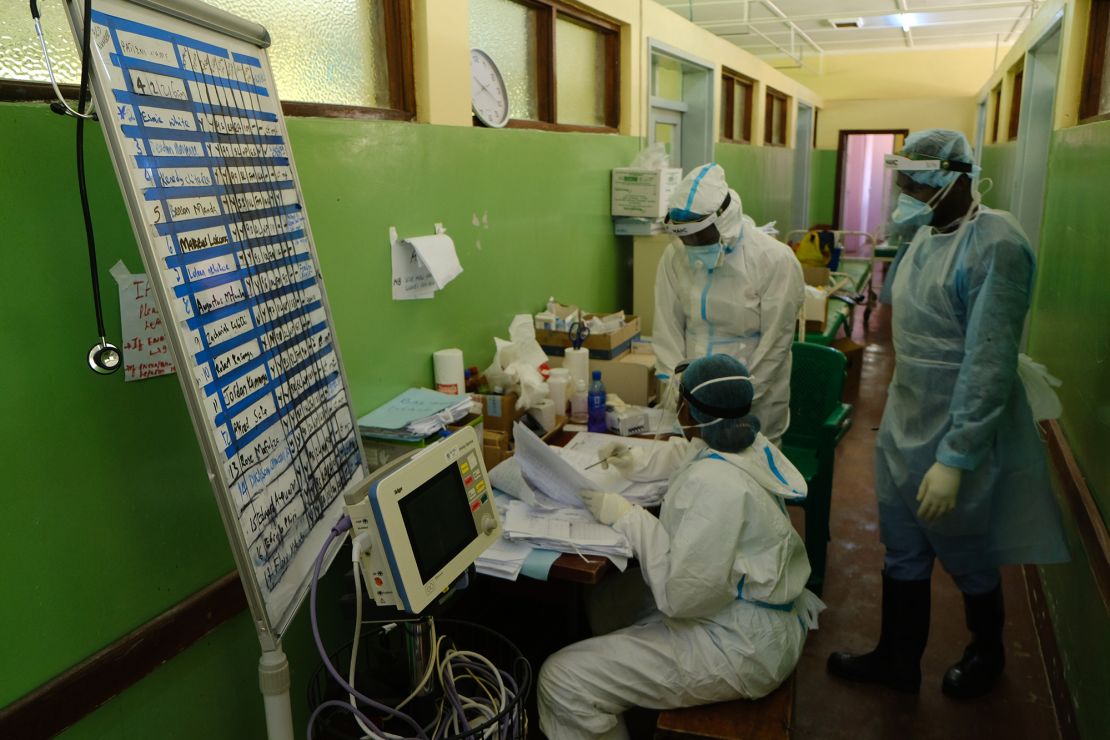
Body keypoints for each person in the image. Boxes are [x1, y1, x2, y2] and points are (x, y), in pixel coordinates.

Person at [827, 129, 1069, 698]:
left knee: (966, 546)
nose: (903, 192)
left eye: (913, 181)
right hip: (907, 417)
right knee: (903, 542)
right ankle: (897, 659)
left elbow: (988, 361)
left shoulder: (996, 245)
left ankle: (987, 652)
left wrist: (957, 457)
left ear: (949, 178)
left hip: (961, 422)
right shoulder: (925, 234)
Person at [537, 355, 824, 740]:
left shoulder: (716, 487)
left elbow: (679, 597)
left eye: (679, 398)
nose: (675, 406)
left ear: (689, 409)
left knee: (561, 677)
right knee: (605, 601)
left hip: (741, 648)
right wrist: (633, 461)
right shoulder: (743, 441)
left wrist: (628, 517)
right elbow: (685, 454)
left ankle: (593, 696)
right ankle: (623, 692)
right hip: (742, 611)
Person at [654, 163, 805, 446]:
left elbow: (775, 344)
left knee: (749, 481)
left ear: (724, 221)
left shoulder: (773, 260)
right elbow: (667, 327)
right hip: (691, 404)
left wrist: (734, 400)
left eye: (700, 235)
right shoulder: (674, 256)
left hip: (752, 402)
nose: (692, 244)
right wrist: (681, 392)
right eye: (685, 237)